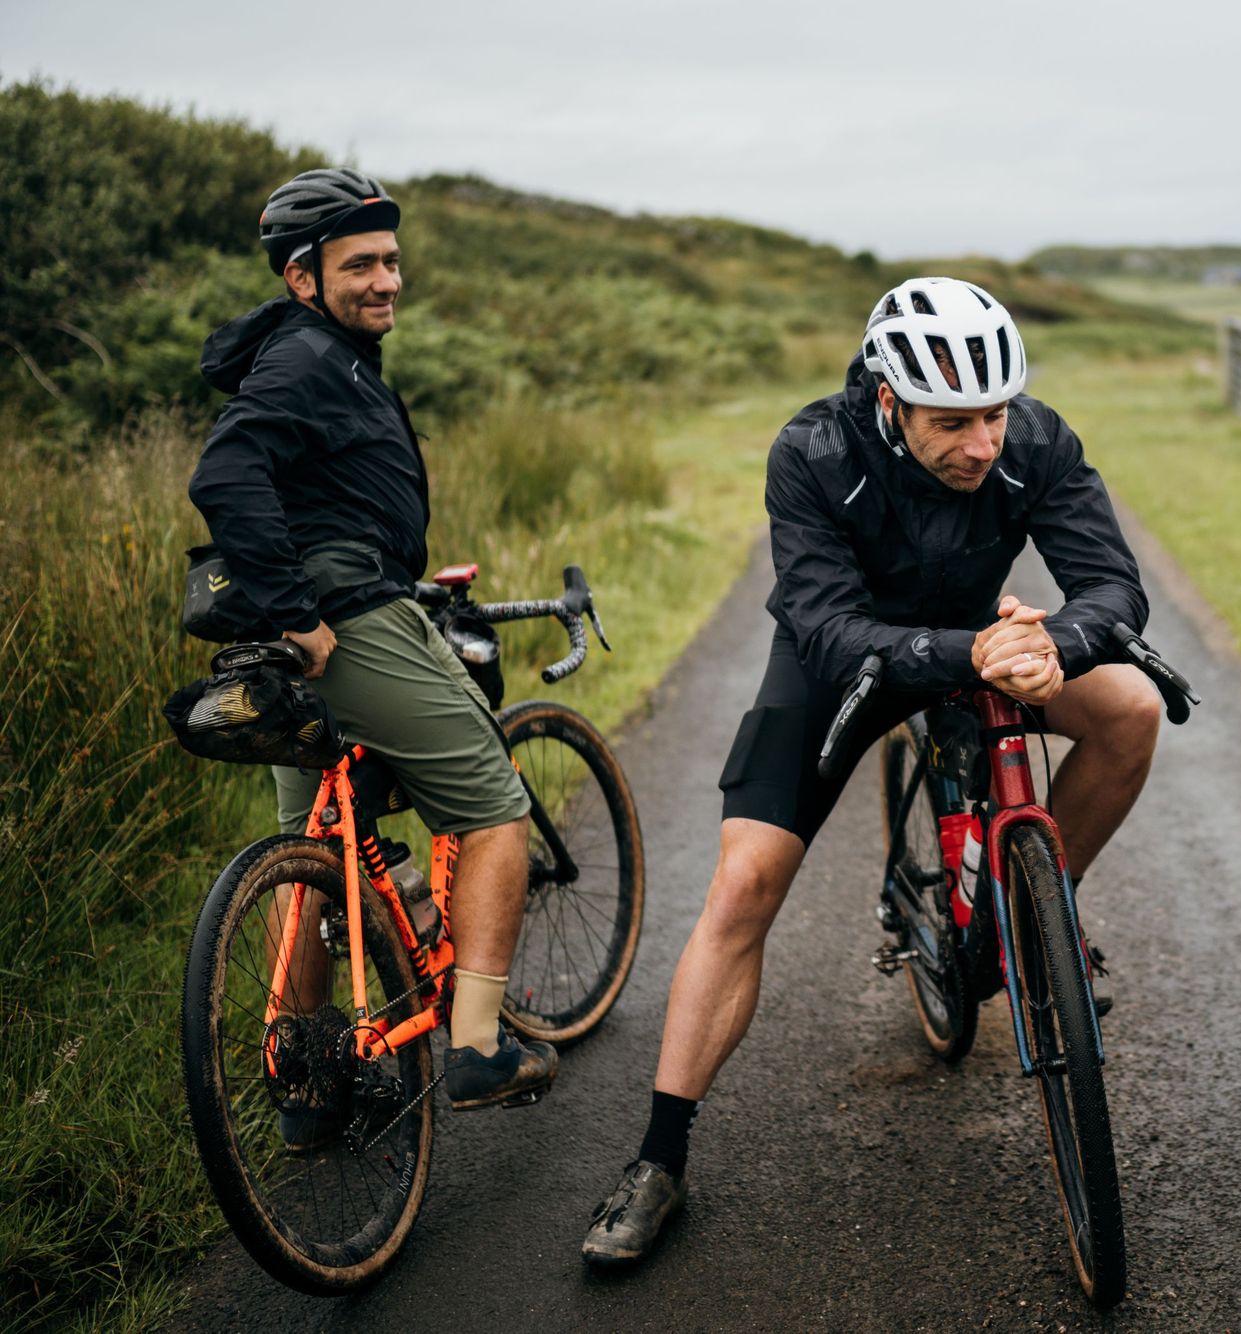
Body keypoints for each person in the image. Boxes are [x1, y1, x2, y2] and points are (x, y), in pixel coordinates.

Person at [580, 276, 1162, 1265]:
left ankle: (1034, 921)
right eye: (951, 421)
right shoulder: (812, 450)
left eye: (993, 414)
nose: (981, 443)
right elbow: (823, 625)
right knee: (744, 882)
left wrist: (1054, 640)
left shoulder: (1035, 442)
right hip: (837, 660)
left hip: (979, 639)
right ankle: (658, 1155)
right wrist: (970, 652)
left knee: (1131, 709)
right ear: (889, 400)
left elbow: (1112, 584)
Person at [188, 168, 557, 1125]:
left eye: (392, 259)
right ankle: (477, 1045)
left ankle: (305, 1080)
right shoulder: (309, 355)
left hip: (318, 620)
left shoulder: (325, 351)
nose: (386, 279)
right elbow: (227, 471)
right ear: (302, 278)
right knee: (492, 808)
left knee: (311, 852)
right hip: (344, 623)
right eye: (361, 264)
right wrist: (301, 609)